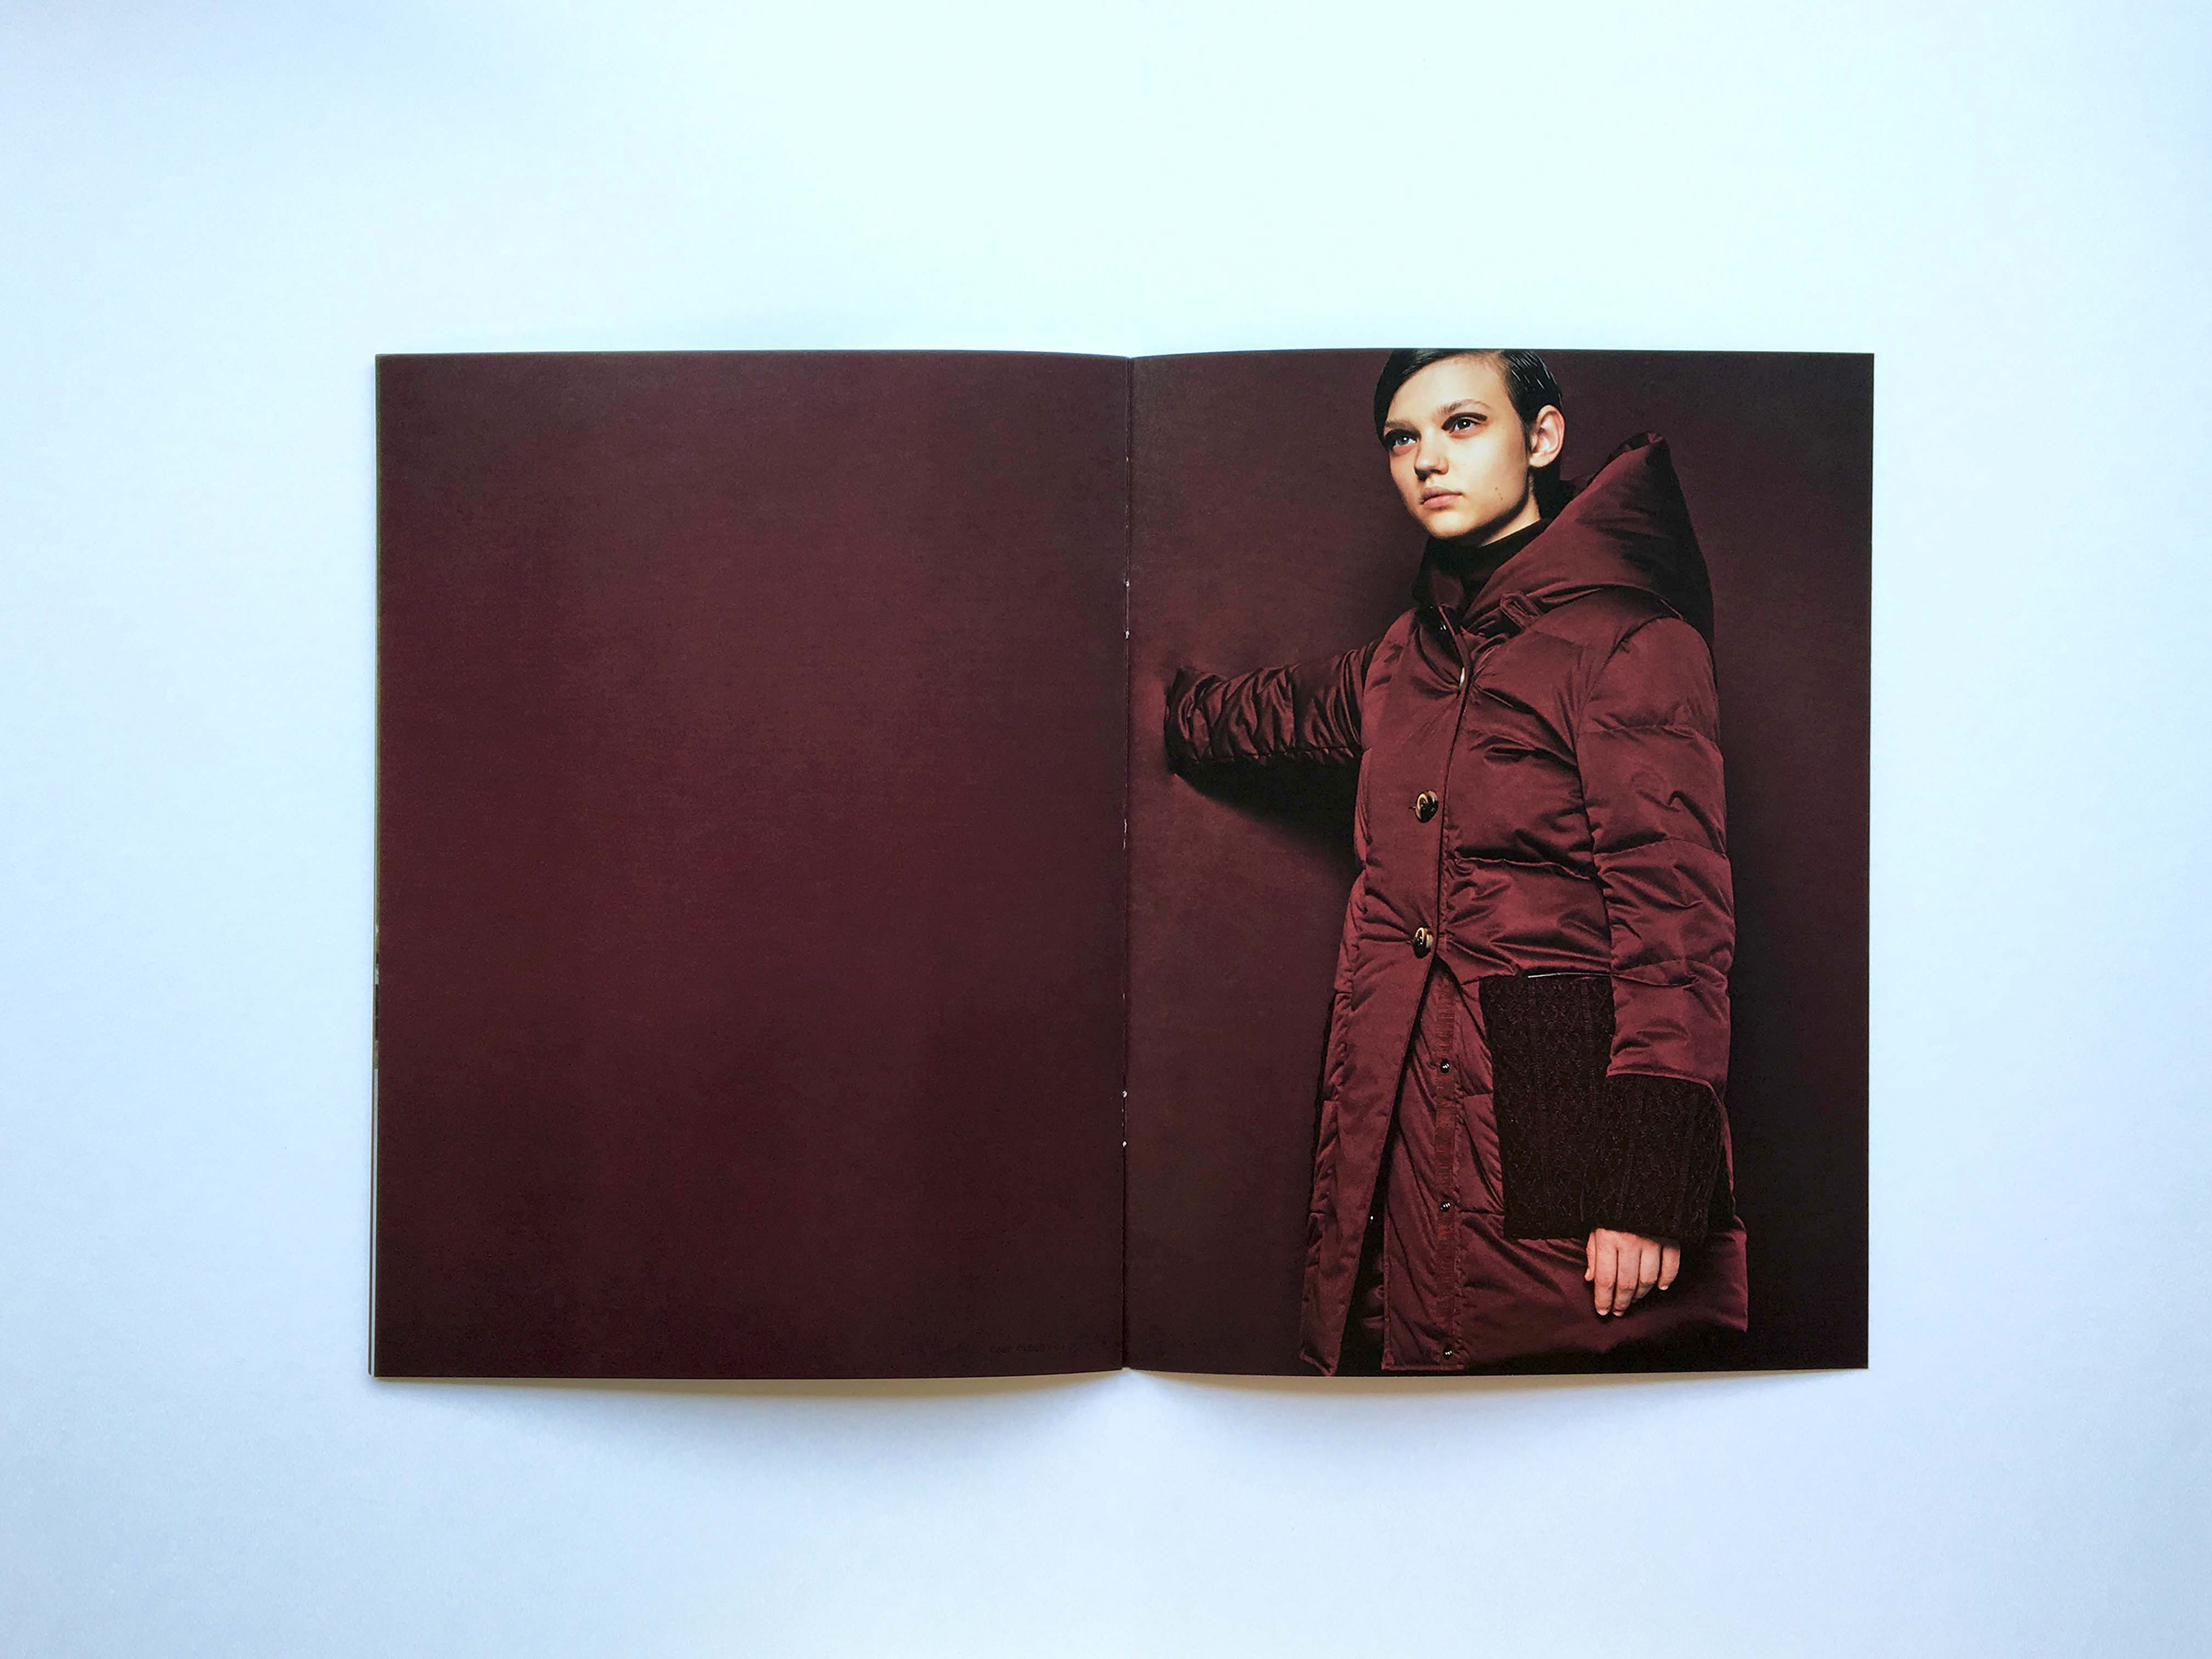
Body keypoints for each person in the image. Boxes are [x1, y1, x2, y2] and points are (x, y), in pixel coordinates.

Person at [1162, 349, 1749, 1374]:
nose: (1428, 458)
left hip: (1562, 1136)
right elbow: (1263, 716)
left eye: (1463, 424)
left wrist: (1648, 1187)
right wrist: (1129, 690)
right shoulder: (1412, 655)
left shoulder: (1630, 644)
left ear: (1543, 438)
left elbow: (1679, 932)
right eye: (1404, 438)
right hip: (1399, 1119)